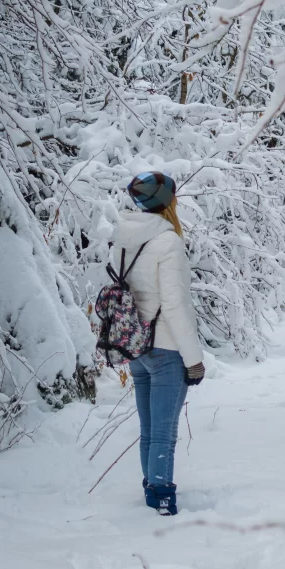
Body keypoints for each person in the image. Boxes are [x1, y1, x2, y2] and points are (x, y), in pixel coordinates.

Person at [112, 171, 205, 515]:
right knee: (164, 430)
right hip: (166, 348)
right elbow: (175, 305)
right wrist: (193, 359)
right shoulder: (168, 242)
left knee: (150, 429)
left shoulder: (122, 237)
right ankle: (162, 497)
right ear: (167, 201)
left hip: (136, 345)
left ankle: (152, 487)